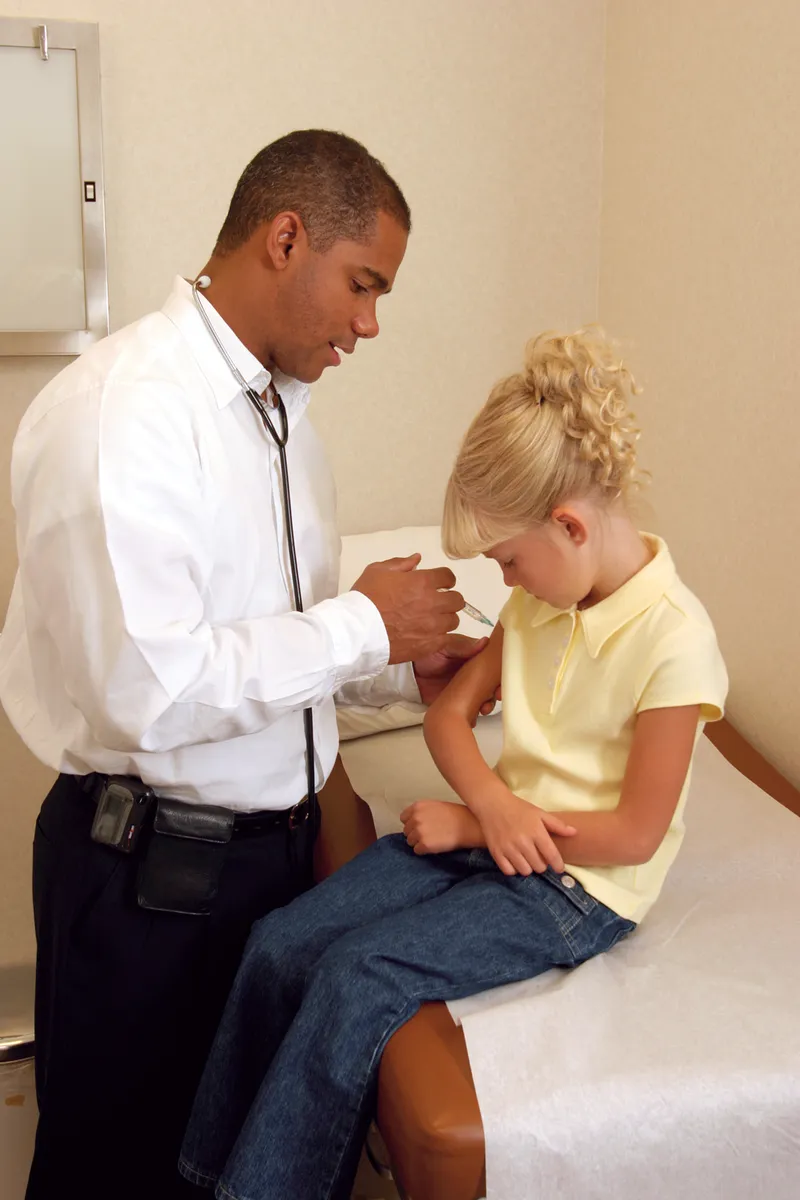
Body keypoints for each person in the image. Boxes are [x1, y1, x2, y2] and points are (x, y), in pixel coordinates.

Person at [0, 129, 487, 1200]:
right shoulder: (123, 414)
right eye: (363, 286)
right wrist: (364, 624)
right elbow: (153, 689)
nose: (370, 323)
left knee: (223, 1169)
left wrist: (399, 667)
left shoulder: (279, 418)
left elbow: (262, 647)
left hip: (268, 873)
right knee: (115, 1175)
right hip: (149, 893)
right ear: (283, 237)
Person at [177, 326, 729, 1200]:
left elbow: (633, 834)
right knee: (282, 942)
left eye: (509, 559)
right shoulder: (548, 600)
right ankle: (204, 1176)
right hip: (500, 835)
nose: (507, 582)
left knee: (358, 979)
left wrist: (480, 820)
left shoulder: (676, 642)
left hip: (578, 889)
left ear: (570, 525)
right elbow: (447, 717)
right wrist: (486, 807)